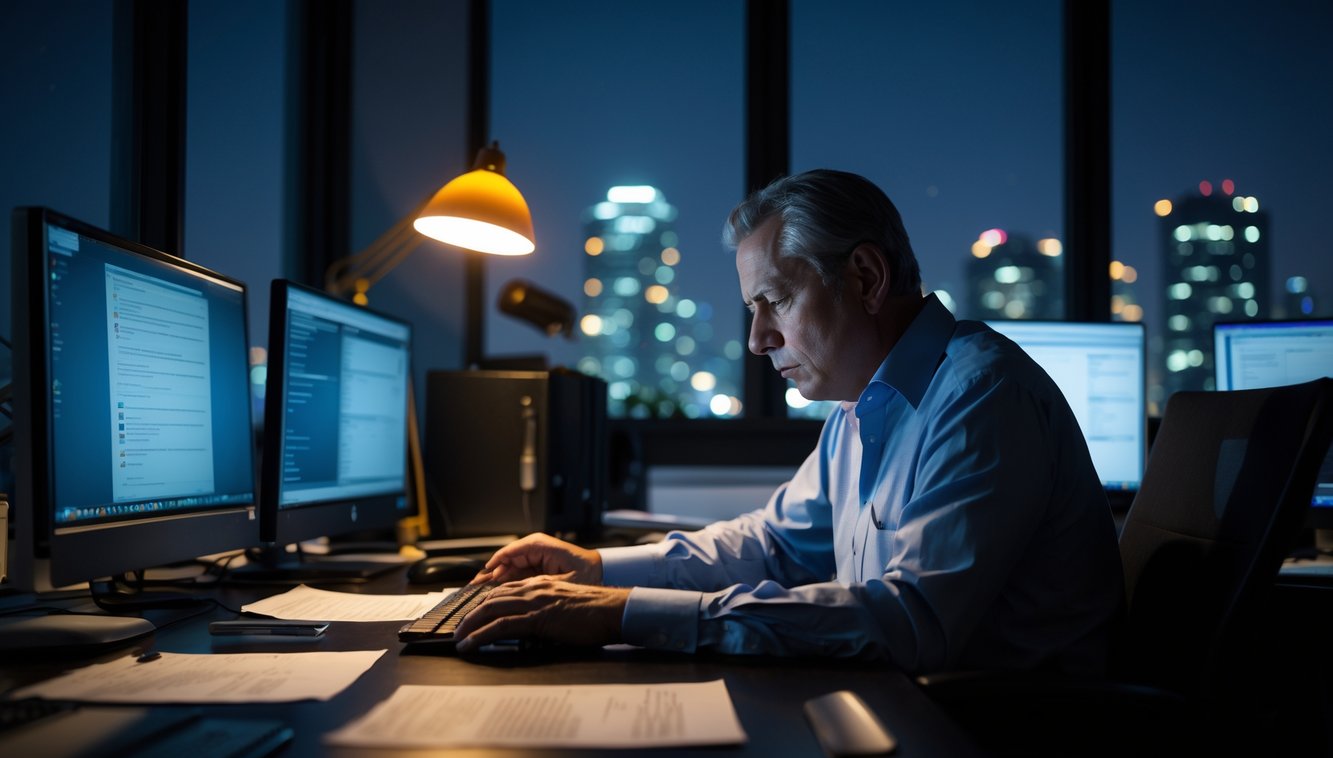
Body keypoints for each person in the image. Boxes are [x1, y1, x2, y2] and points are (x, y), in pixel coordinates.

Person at [455, 169, 1124, 676]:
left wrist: (623, 613)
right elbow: (774, 545)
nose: (756, 339)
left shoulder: (981, 396)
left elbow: (912, 622)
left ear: (863, 278)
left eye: (772, 301)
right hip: (918, 707)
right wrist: (597, 569)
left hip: (1008, 733)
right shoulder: (858, 407)